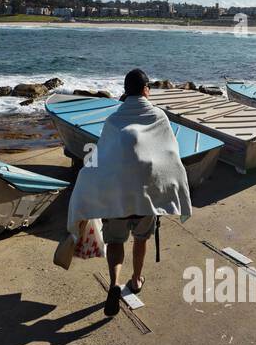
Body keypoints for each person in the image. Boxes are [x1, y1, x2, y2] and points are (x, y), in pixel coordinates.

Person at [62, 68, 194, 309]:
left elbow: (101, 156)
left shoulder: (113, 120)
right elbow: (170, 154)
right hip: (146, 198)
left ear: (125, 91)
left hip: (117, 199)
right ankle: (135, 280)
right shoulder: (159, 117)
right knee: (141, 240)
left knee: (115, 242)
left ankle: (114, 283)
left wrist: (89, 184)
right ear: (146, 90)